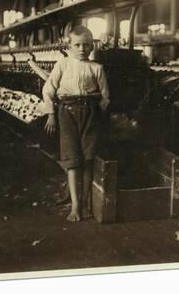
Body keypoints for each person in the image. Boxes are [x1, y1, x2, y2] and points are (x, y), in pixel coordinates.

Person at [42, 26, 110, 222]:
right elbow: (48, 91)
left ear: (92, 46)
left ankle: (87, 203)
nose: (82, 49)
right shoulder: (62, 64)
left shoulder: (97, 68)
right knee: (73, 161)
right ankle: (75, 206)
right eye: (77, 45)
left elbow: (105, 97)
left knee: (88, 160)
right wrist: (51, 114)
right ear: (69, 46)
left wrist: (100, 112)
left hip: (91, 114)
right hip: (67, 114)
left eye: (86, 45)